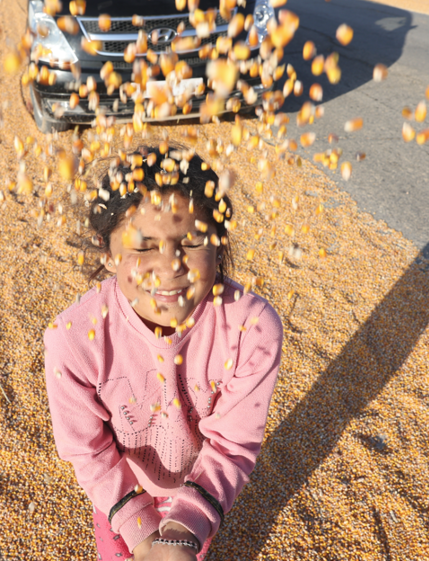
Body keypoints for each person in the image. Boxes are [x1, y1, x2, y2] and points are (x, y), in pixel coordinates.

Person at [44, 145, 283, 561]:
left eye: (191, 241)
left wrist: (183, 532)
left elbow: (231, 444)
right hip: (119, 489)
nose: (170, 266)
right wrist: (137, 527)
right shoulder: (74, 339)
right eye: (143, 246)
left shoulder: (252, 329)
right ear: (107, 252)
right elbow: (89, 450)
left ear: (219, 241)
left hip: (201, 488)